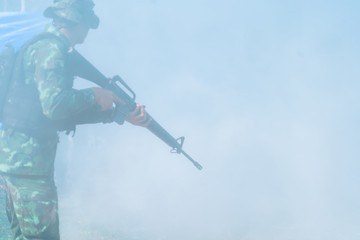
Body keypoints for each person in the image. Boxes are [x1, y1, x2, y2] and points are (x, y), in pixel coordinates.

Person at [0, 0, 149, 239]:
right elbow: (54, 106)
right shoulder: (51, 49)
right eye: (87, 24)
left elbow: (49, 114)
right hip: (30, 167)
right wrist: (94, 94)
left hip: (20, 162)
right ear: (78, 21)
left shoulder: (45, 46)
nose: (88, 30)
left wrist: (112, 113)